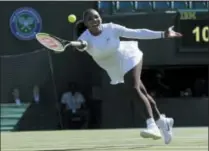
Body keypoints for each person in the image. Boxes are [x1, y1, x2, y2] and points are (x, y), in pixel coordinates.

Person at [71, 8, 182, 144]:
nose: (95, 20)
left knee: (133, 88)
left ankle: (152, 126)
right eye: (90, 19)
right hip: (114, 67)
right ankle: (162, 121)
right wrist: (77, 44)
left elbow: (137, 33)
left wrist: (163, 34)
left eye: (96, 17)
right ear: (86, 24)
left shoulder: (111, 28)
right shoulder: (84, 38)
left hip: (129, 56)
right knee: (142, 92)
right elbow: (82, 45)